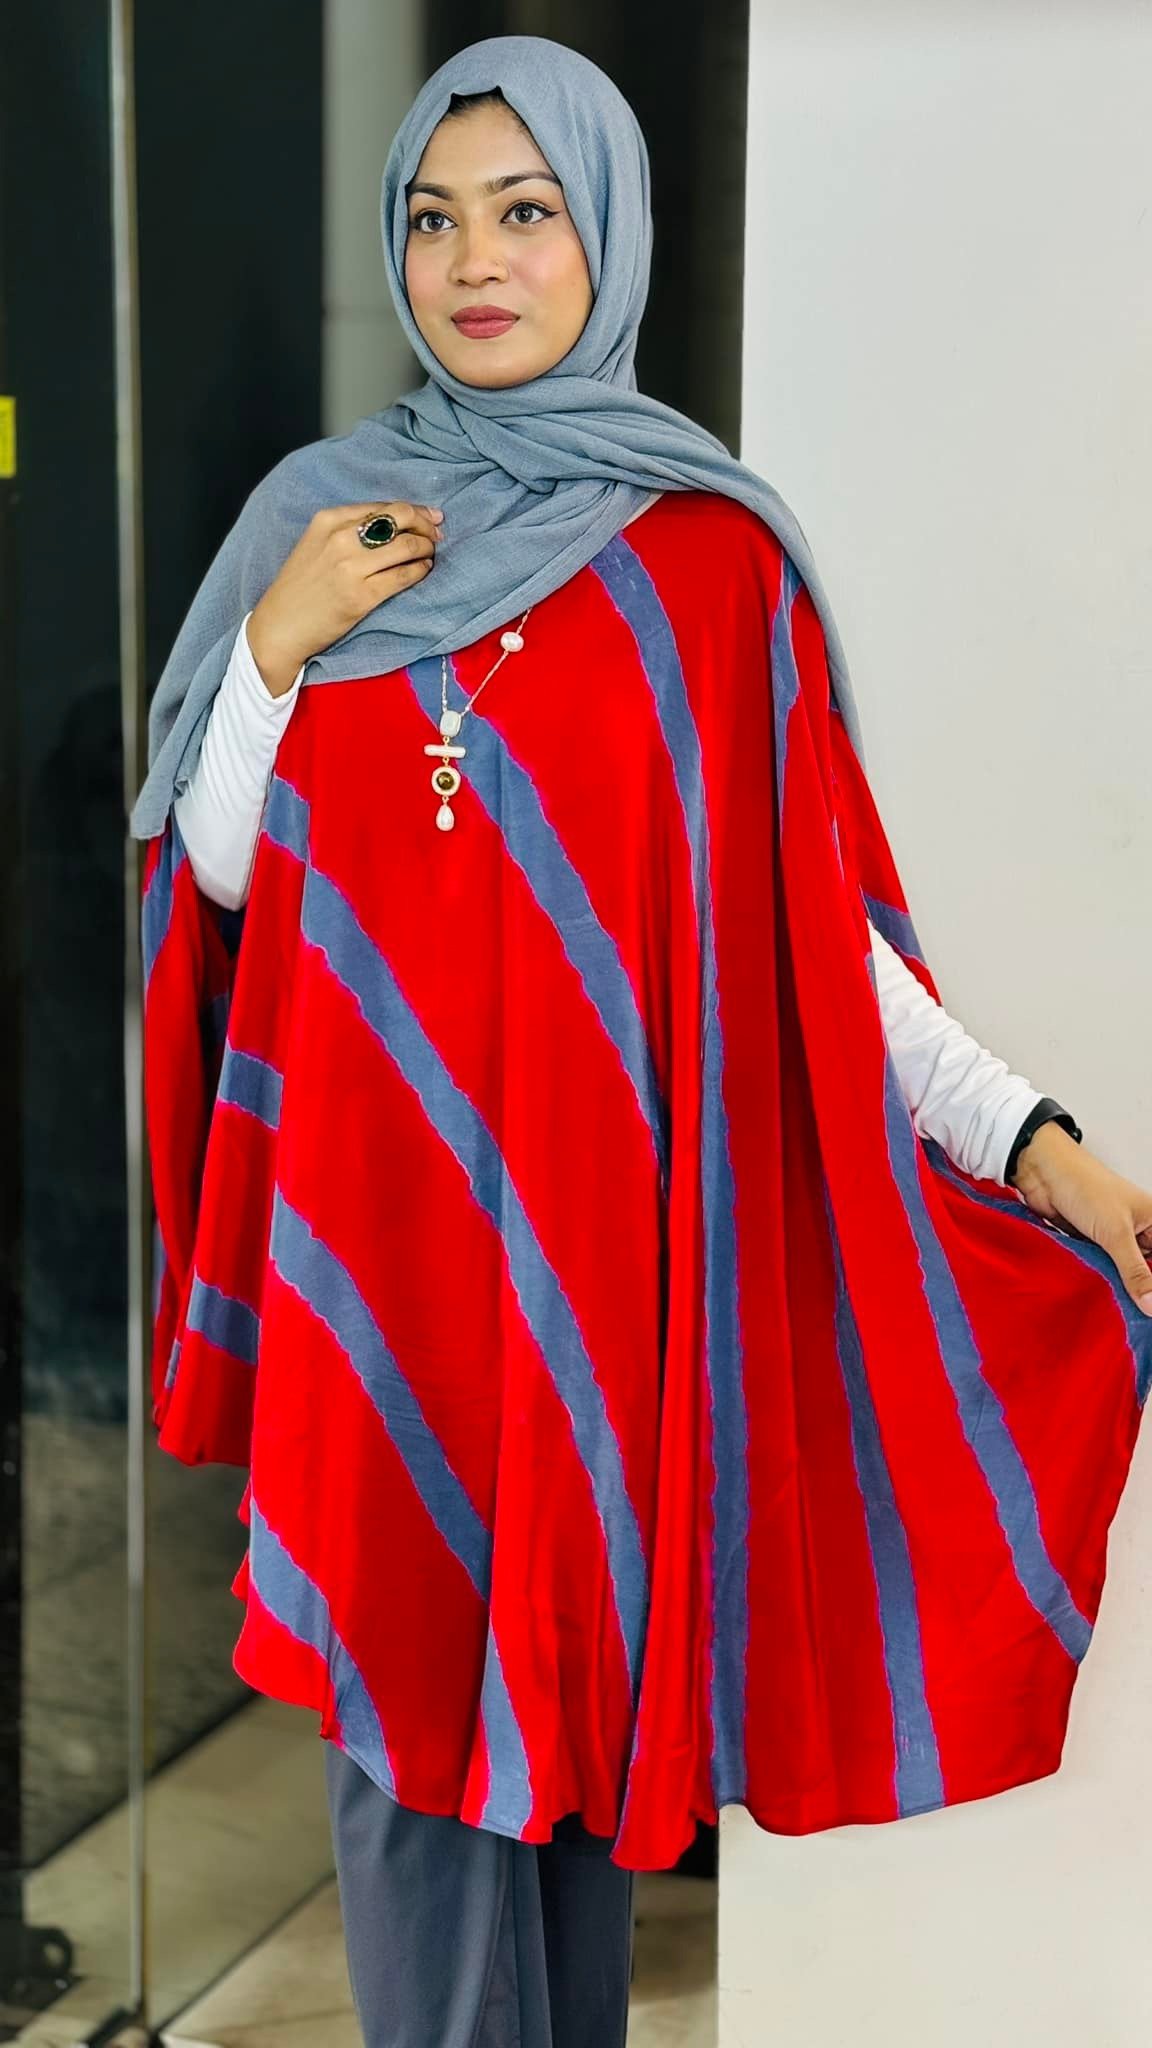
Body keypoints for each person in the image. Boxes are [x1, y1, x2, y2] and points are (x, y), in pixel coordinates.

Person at [131, 35, 1152, 2048]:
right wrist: (269, 650)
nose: (474, 262)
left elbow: (814, 951)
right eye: (435, 218)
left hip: (604, 1287)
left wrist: (1032, 1142)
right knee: (405, 1772)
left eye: (526, 213)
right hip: (387, 1265)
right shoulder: (314, 523)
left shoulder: (709, 562)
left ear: (607, 233)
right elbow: (219, 883)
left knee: (582, 1777)